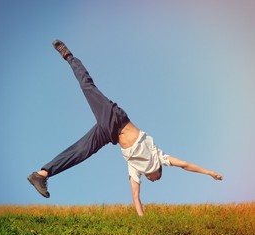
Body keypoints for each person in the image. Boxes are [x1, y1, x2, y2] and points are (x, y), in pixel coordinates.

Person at [27, 40, 223, 216]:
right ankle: (68, 56)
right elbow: (185, 164)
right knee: (88, 87)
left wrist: (142, 220)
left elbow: (136, 197)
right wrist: (209, 172)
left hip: (108, 134)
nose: (153, 181)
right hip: (116, 119)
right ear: (158, 171)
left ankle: (41, 175)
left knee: (80, 152)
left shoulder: (136, 169)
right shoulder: (159, 157)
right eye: (156, 179)